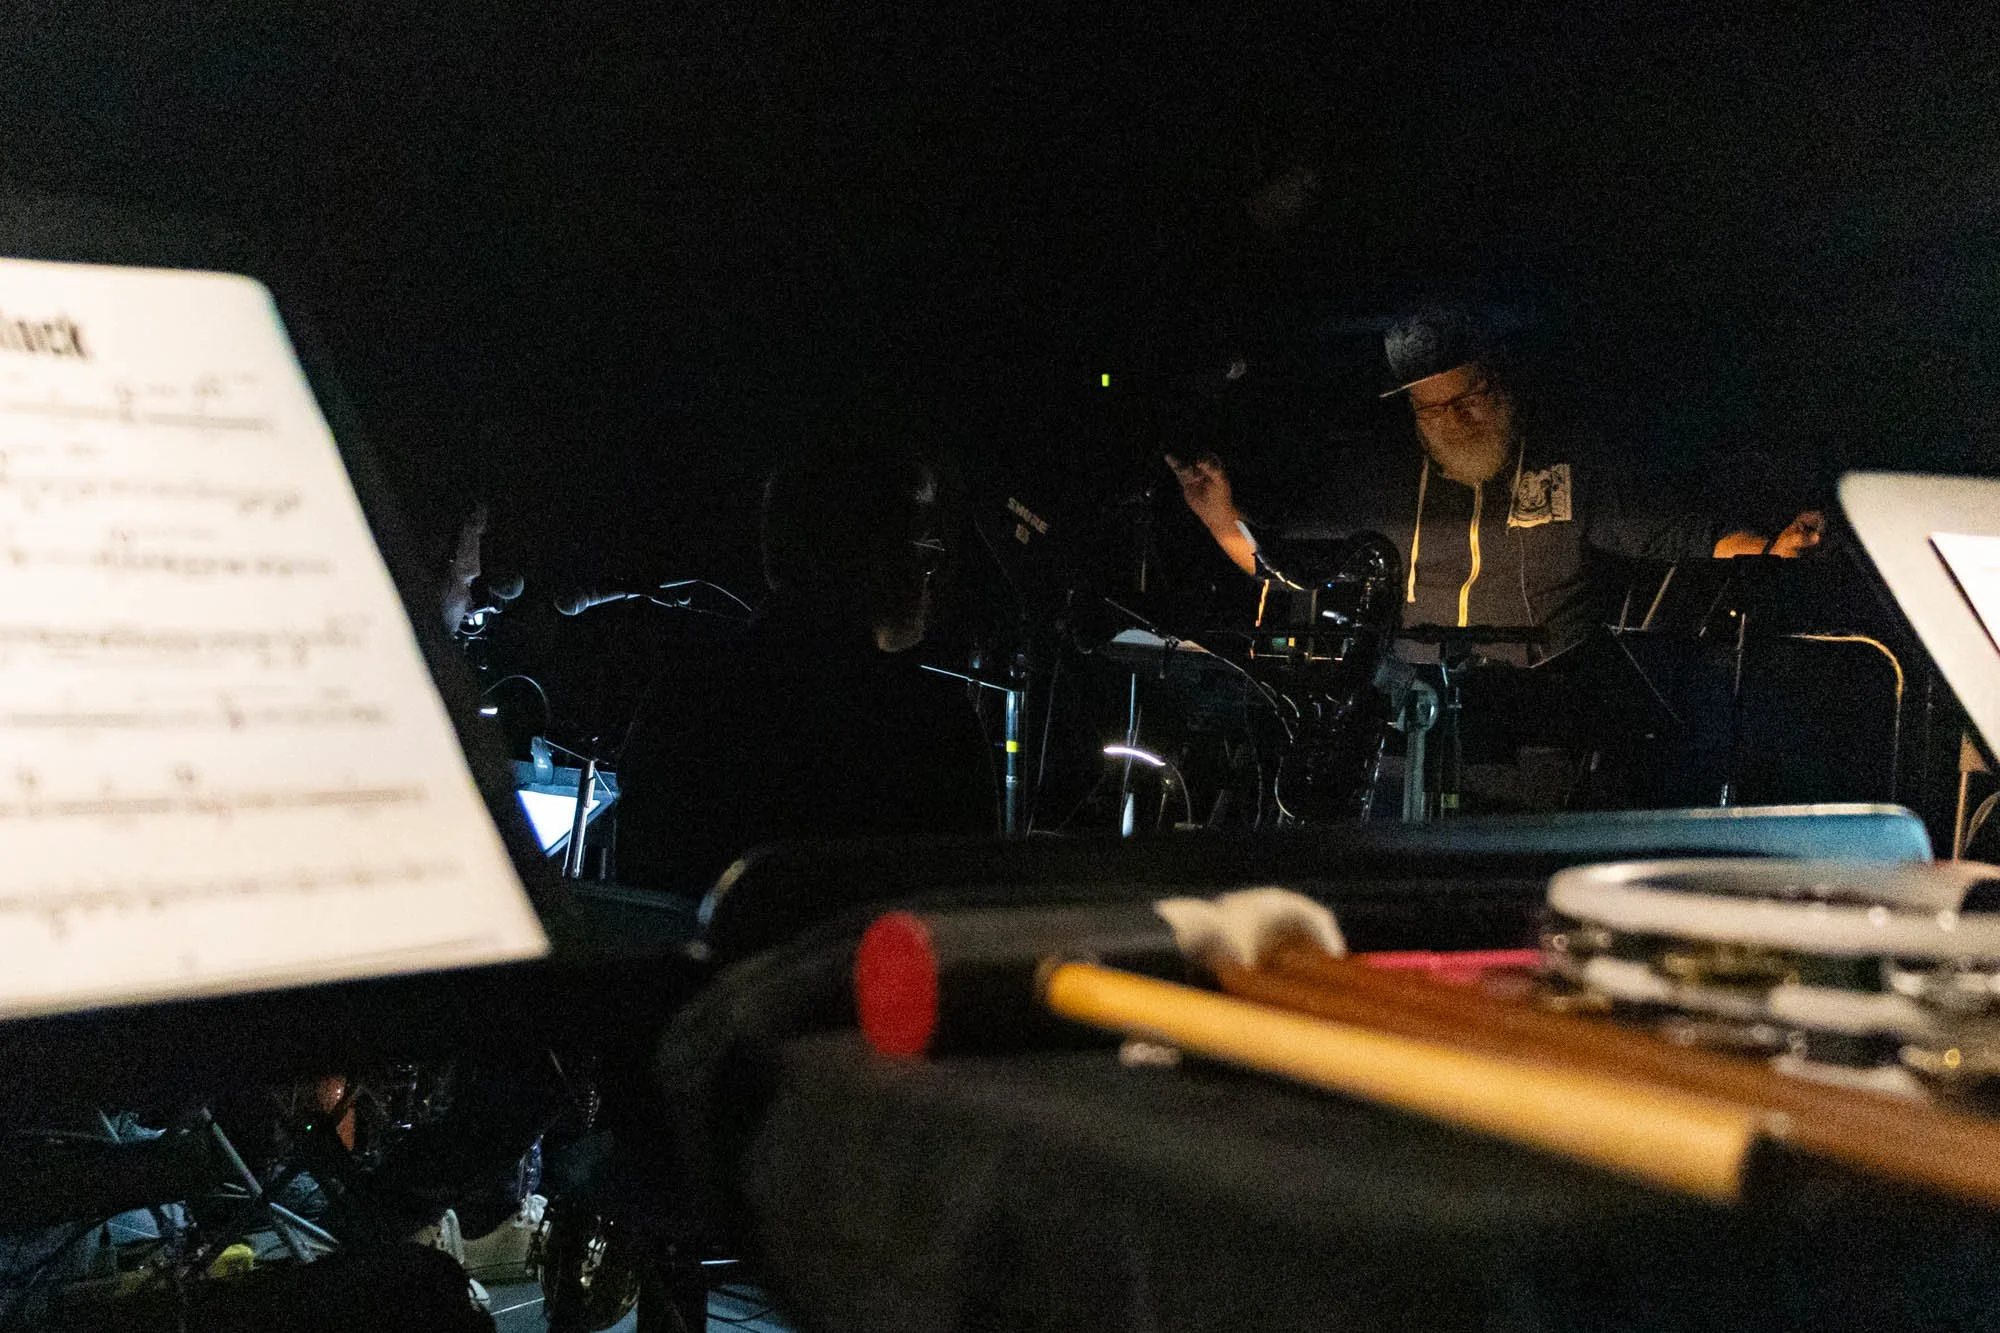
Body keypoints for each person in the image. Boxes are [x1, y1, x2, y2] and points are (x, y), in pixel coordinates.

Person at [1166, 303, 1824, 810]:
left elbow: (1672, 531)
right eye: (1434, 409)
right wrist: (1219, 518)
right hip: (1409, 725)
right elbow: (1293, 569)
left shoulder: (1564, 462)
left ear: (1497, 382)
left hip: (1543, 729)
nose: (1455, 419)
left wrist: (1769, 548)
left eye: (1468, 398)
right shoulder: (1378, 480)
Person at [614, 432, 997, 895]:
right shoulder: (933, 727)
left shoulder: (682, 700)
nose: (929, 575)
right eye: (922, 549)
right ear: (876, 557)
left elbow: (639, 899)